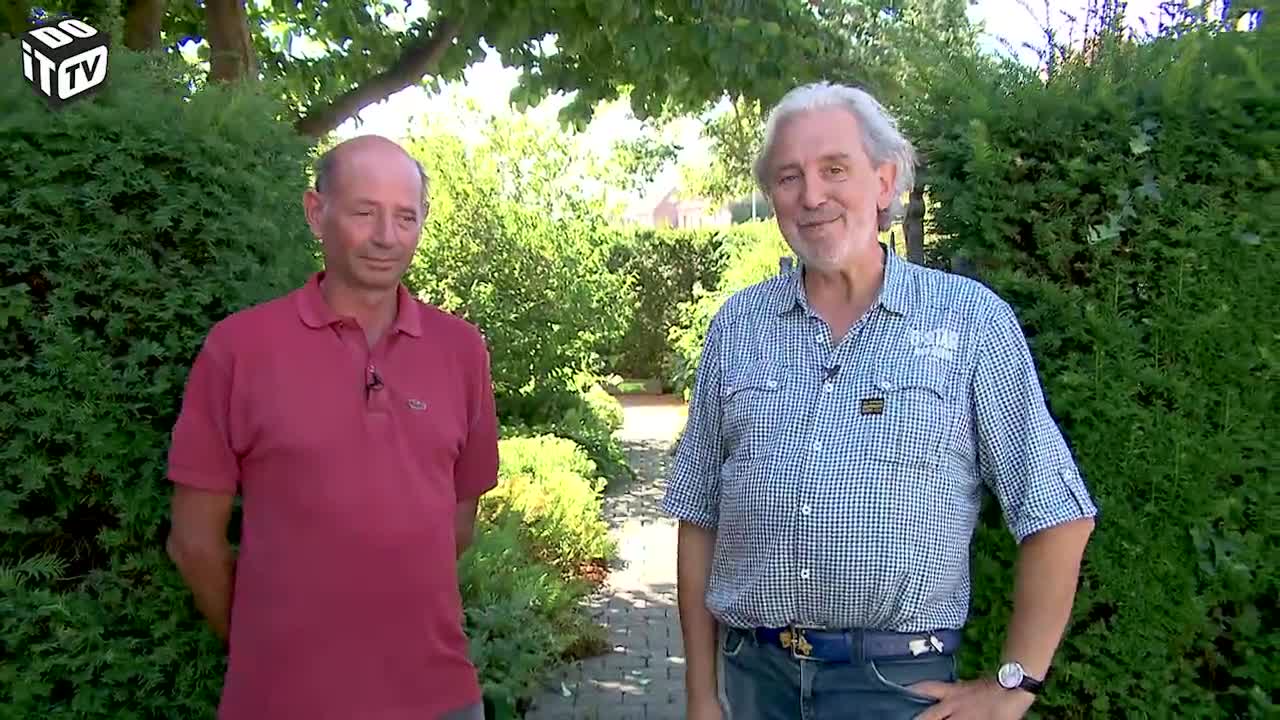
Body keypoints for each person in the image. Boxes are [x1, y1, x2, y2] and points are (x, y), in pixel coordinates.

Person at [663, 82, 1099, 720]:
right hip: (755, 681)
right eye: (789, 177)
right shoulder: (738, 325)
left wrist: (1014, 686)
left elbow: (1058, 514)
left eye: (835, 169)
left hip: (896, 691)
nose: (812, 195)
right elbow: (698, 516)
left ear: (884, 181)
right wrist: (702, 695)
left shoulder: (969, 322)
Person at [164, 135, 498, 720]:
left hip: (439, 699)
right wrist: (266, 651)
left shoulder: (462, 350)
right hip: (281, 703)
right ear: (316, 213)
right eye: (365, 212)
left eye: (406, 217)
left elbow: (457, 524)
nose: (387, 236)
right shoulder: (240, 349)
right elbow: (193, 543)